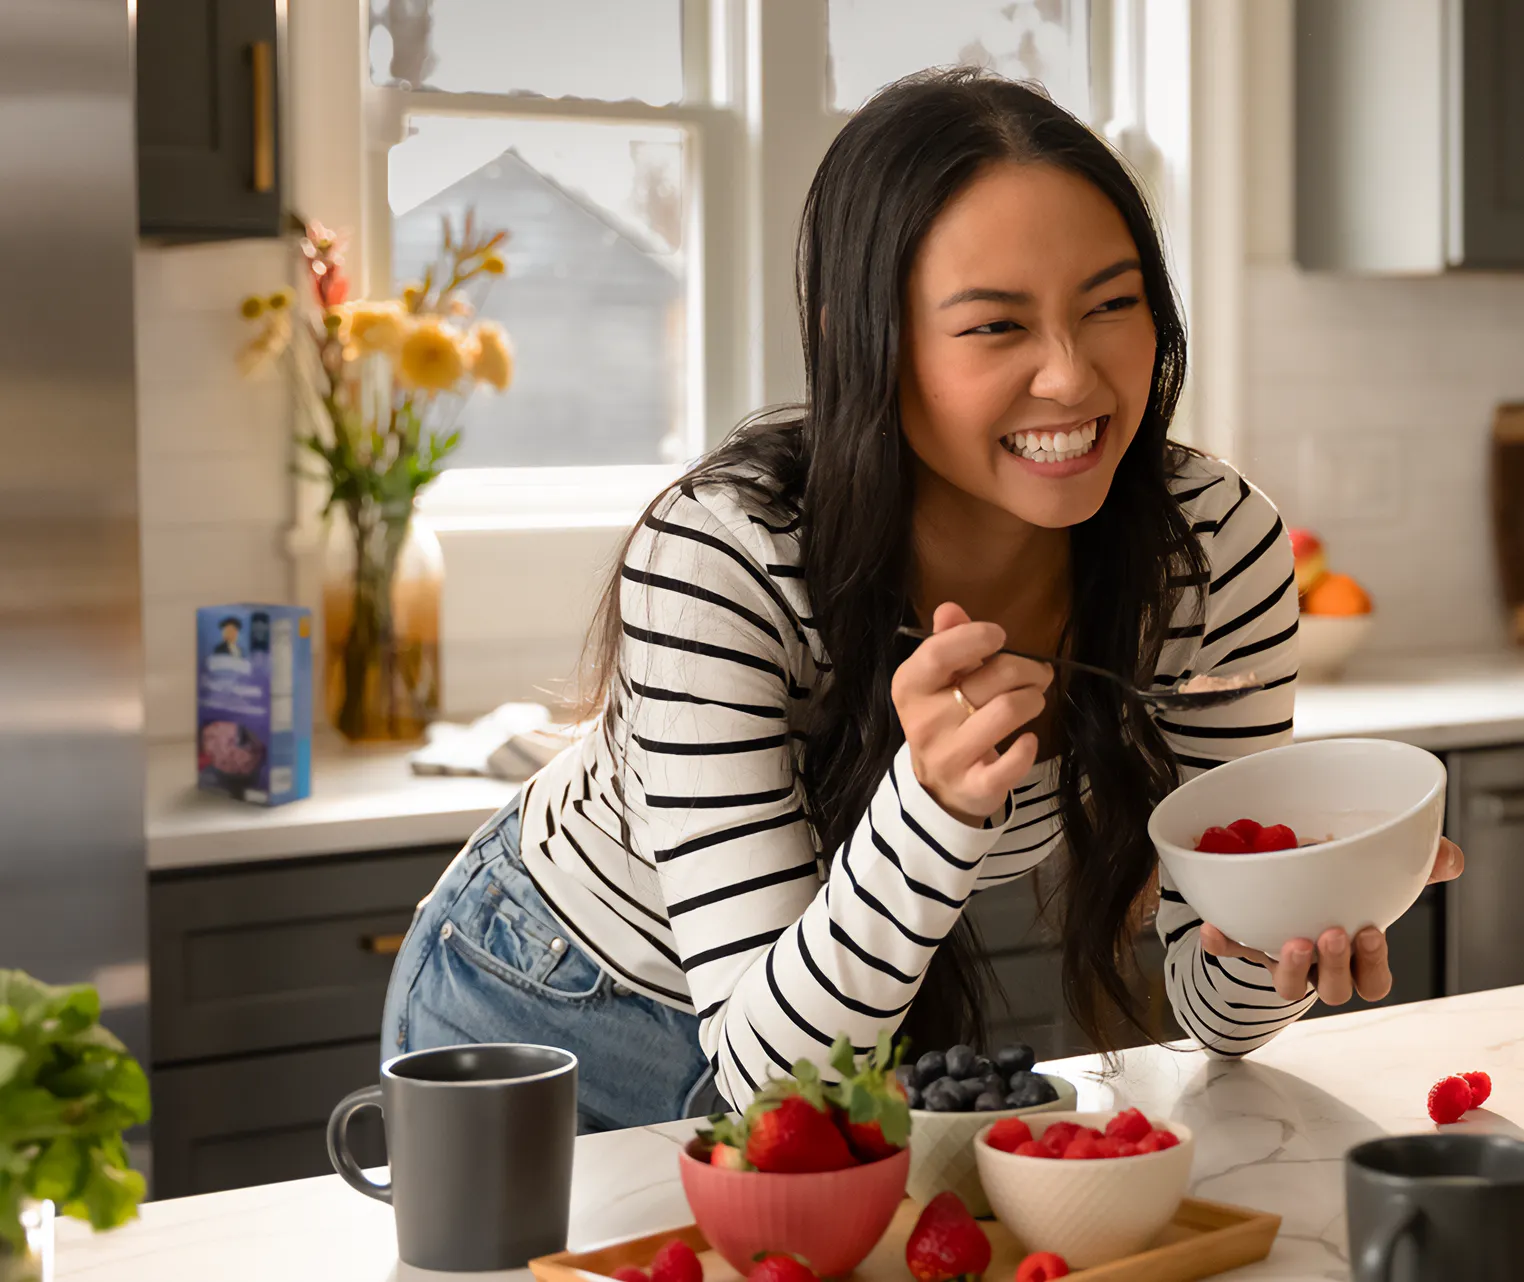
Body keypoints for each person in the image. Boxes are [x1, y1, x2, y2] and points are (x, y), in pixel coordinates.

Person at [379, 69, 1464, 1131]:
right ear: (872, 342)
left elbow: (1209, 1005)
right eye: (996, 326)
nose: (1073, 377)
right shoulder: (723, 557)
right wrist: (933, 805)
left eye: (1113, 305)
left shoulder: (1211, 549)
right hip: (548, 1008)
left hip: (834, 1029)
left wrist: (1275, 951)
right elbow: (769, 1086)